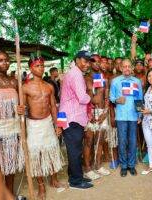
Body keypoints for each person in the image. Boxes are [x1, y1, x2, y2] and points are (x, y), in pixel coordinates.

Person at [23, 55, 65, 199]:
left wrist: (57, 124)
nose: (40, 68)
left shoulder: (49, 86)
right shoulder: (25, 87)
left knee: (52, 150)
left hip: (47, 122)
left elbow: (53, 106)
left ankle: (54, 180)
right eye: (36, 66)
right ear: (30, 68)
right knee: (36, 155)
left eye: (41, 65)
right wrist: (20, 111)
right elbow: (22, 108)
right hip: (33, 125)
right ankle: (41, 186)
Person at [59, 51, 93, 189]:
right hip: (72, 118)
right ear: (77, 60)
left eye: (89, 61)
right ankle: (76, 182)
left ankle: (74, 175)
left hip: (71, 116)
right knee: (75, 150)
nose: (87, 64)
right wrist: (90, 95)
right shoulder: (76, 74)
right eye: (85, 61)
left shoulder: (74, 72)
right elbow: (82, 98)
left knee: (74, 149)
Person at [0, 50, 24, 195]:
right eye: (0, 60)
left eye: (6, 60)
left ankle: (10, 194)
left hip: (13, 128)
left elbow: (22, 105)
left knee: (11, 167)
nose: (4, 62)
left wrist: (22, 109)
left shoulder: (14, 82)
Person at [109, 59, 143, 177]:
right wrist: (117, 100)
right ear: (121, 68)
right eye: (125, 66)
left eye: (129, 66)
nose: (127, 68)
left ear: (132, 68)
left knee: (133, 142)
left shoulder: (137, 82)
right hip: (121, 116)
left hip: (133, 116)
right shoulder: (115, 81)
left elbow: (139, 99)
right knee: (122, 142)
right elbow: (111, 98)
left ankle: (131, 165)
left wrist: (140, 115)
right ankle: (123, 166)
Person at [84, 57, 110, 179]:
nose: (97, 63)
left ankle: (98, 165)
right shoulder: (84, 79)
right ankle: (88, 168)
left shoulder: (104, 79)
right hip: (89, 113)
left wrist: (105, 113)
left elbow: (106, 98)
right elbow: (82, 99)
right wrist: (88, 113)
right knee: (89, 141)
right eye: (94, 61)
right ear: (89, 63)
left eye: (99, 61)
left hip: (102, 113)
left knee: (100, 141)